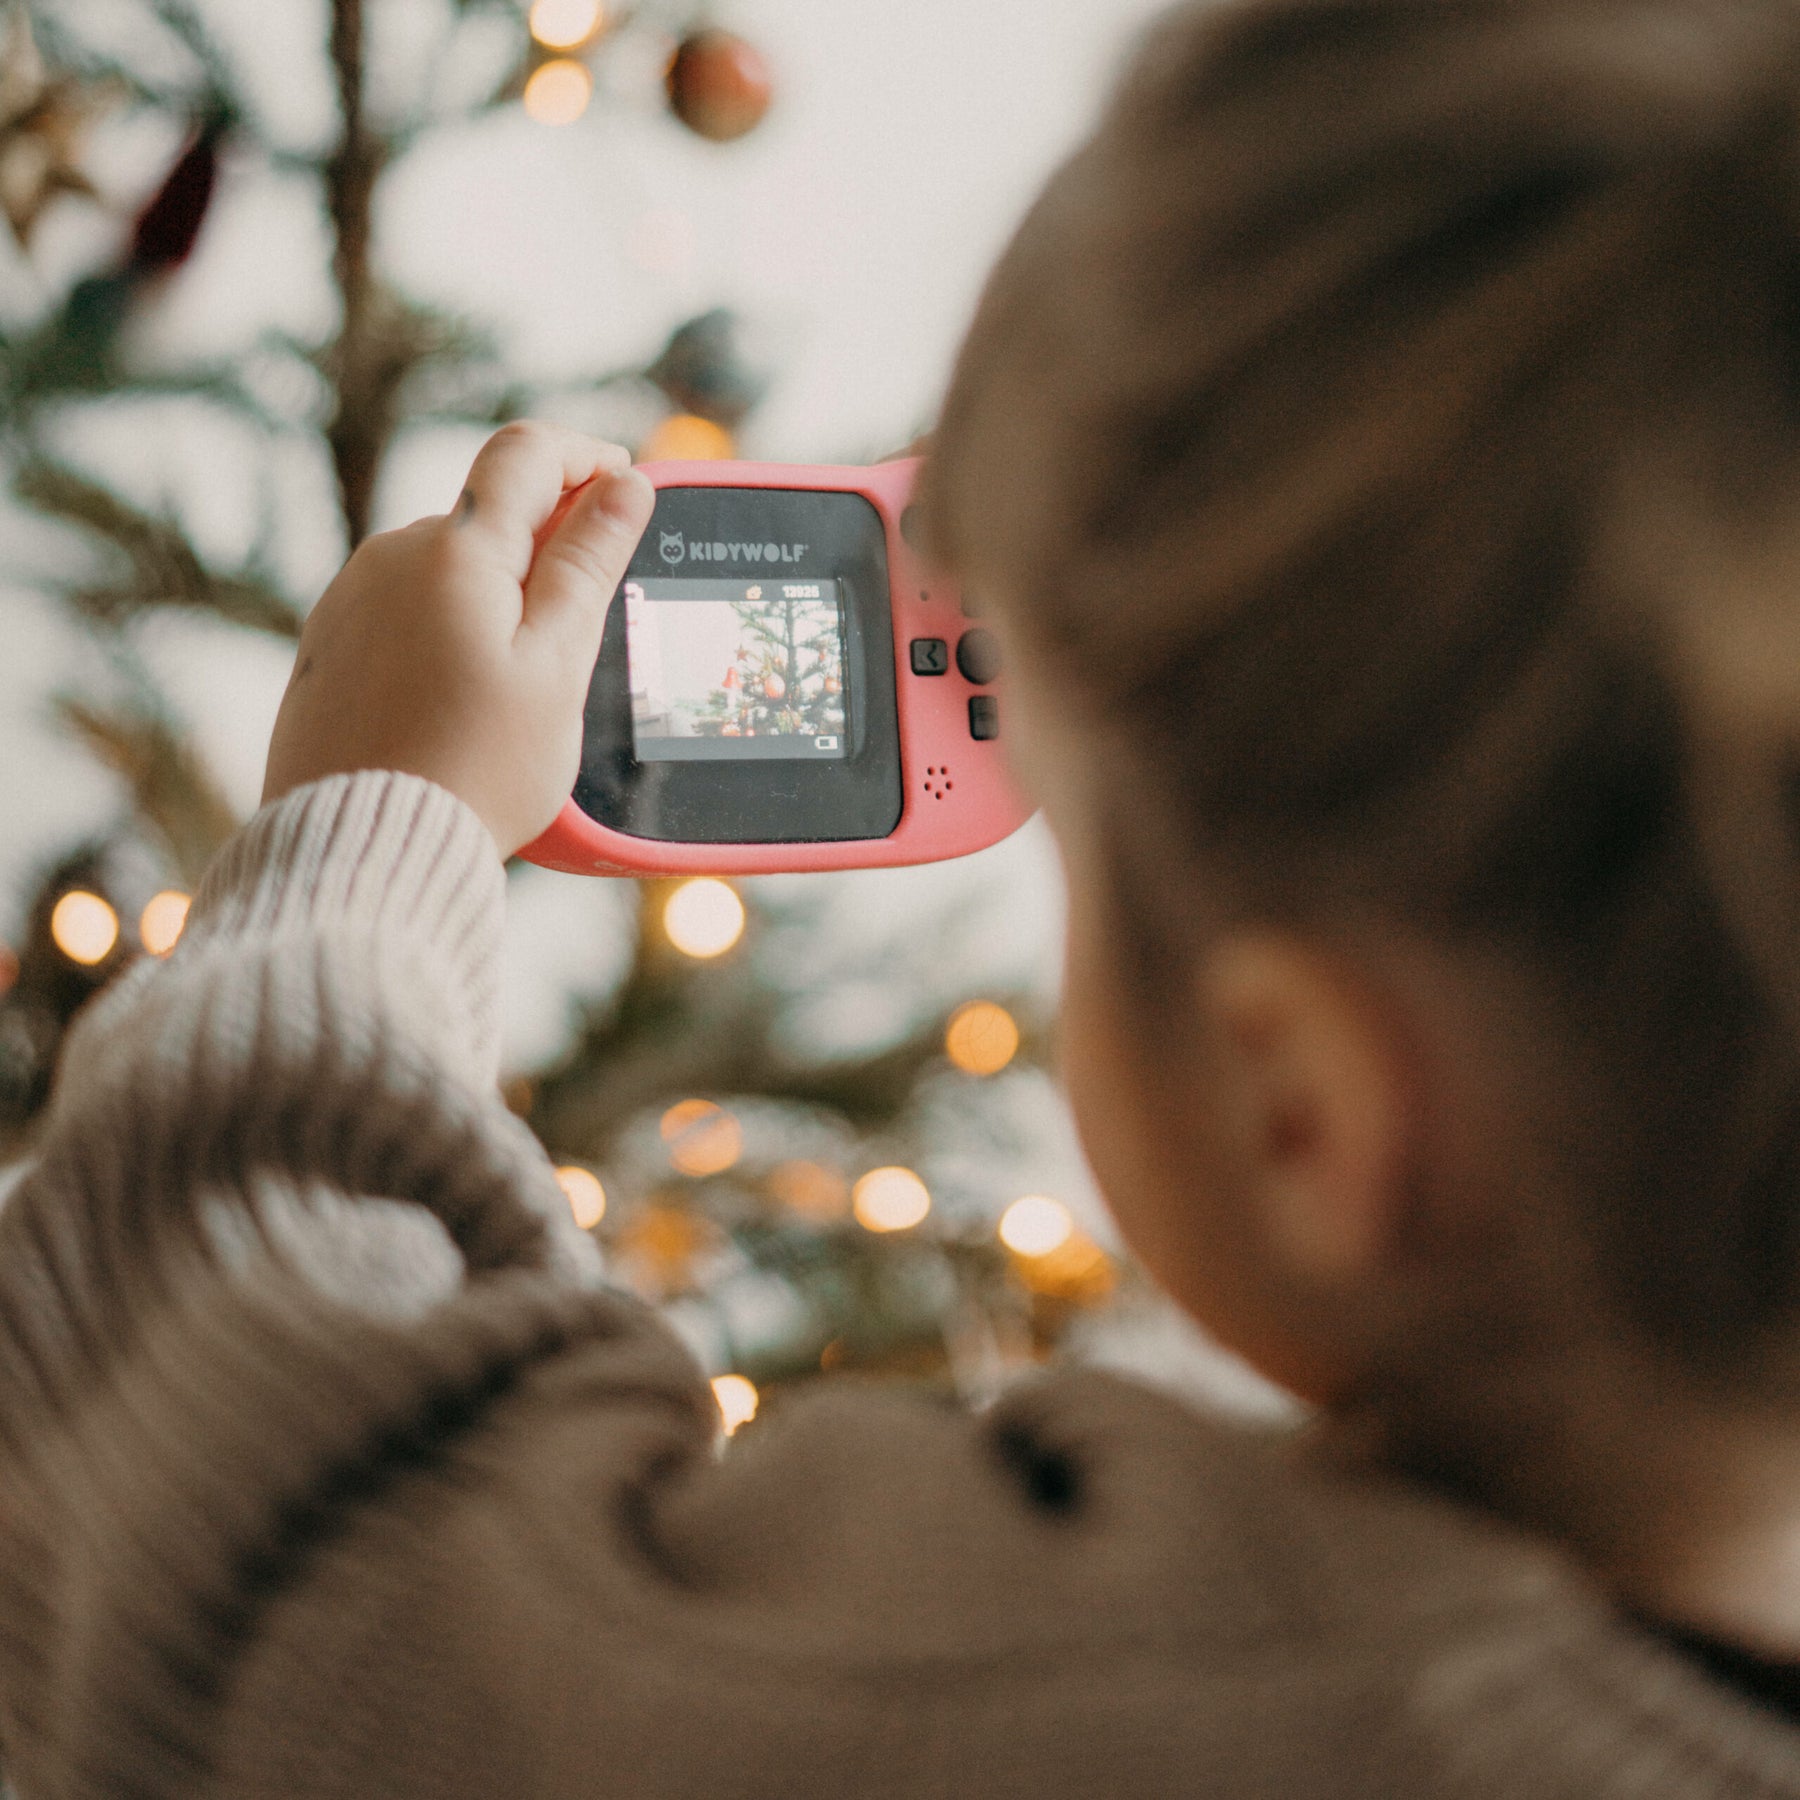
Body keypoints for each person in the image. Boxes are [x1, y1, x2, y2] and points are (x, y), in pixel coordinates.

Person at [7, 0, 1800, 1790]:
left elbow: (246, 1512)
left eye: (1087, 848)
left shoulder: (1170, 1706)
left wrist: (374, 822)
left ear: (1304, 1108)